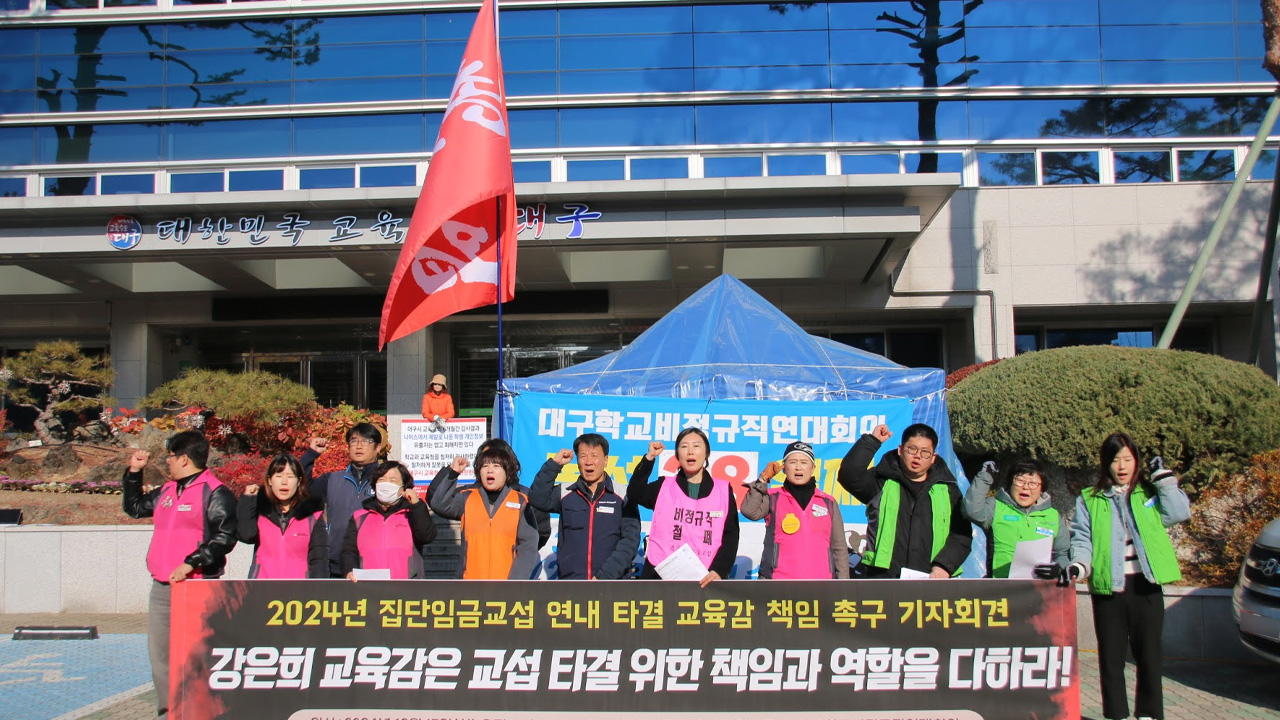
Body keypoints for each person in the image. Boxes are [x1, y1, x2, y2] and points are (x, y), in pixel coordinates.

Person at [1070, 432, 1190, 720]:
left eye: (1127, 459)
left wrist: (1163, 476)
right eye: (1115, 460)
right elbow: (1082, 540)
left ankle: (1149, 713)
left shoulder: (1149, 494)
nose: (1122, 466)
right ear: (1105, 464)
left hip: (1145, 585)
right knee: (1111, 659)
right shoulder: (1089, 499)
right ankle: (1117, 715)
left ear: (1136, 462)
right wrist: (1078, 566)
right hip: (1108, 589)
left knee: (1149, 655)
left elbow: (1179, 512)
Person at [122, 430, 236, 717]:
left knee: (197, 656)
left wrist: (191, 562)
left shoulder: (215, 491)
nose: (167, 462)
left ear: (184, 459)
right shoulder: (167, 491)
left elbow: (225, 537)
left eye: (170, 457)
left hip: (197, 586)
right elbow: (135, 508)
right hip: (162, 587)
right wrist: (135, 472)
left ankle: (200, 710)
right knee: (160, 655)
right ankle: (169, 710)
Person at [836, 423, 971, 578]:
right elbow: (849, 475)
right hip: (883, 579)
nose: (917, 456)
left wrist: (943, 566)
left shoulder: (948, 490)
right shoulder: (881, 481)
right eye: (912, 449)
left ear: (933, 458)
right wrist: (873, 441)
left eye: (925, 452)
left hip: (932, 581)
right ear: (900, 450)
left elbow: (962, 534)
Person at [627, 427, 740, 587]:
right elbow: (634, 493)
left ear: (706, 453)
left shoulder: (723, 490)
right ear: (677, 455)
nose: (690, 452)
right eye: (684, 446)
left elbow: (731, 535)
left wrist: (719, 570)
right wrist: (649, 459)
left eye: (696, 446)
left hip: (706, 577)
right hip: (661, 576)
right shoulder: (664, 487)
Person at [528, 433, 641, 579]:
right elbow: (537, 498)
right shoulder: (565, 492)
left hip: (612, 584)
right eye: (583, 456)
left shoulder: (623, 495)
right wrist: (554, 464)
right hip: (572, 584)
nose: (589, 462)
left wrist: (604, 577)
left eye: (595, 456)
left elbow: (630, 541)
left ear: (606, 460)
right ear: (577, 461)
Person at [429, 442, 542, 579]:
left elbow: (528, 546)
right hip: (470, 584)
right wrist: (453, 473)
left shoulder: (521, 501)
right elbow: (438, 503)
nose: (490, 470)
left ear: (507, 472)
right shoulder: (466, 497)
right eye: (485, 466)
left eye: (496, 466)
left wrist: (515, 583)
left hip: (506, 586)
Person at [742, 441, 849, 579]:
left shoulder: (828, 502)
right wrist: (762, 480)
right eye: (792, 462)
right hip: (777, 582)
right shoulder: (773, 497)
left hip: (822, 583)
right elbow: (749, 511)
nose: (798, 467)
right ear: (784, 468)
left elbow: (839, 547)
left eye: (804, 462)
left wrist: (844, 584)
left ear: (813, 468)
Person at [425, 437, 552, 549]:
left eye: (495, 463)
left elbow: (541, 531)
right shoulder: (468, 495)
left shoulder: (525, 497)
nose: (490, 469)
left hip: (512, 571)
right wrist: (451, 472)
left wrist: (519, 554)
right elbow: (436, 499)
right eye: (485, 462)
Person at [962, 458, 1069, 580]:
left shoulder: (1052, 515)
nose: (1025, 487)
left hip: (1040, 590)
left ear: (1042, 488)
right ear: (1010, 483)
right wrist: (984, 477)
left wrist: (1058, 567)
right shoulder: (996, 507)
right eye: (1019, 481)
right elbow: (971, 510)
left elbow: (1062, 553)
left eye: (1033, 483)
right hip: (1001, 587)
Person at [301, 423, 383, 577]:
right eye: (353, 441)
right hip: (335, 563)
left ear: (377, 447)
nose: (359, 446)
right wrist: (311, 455)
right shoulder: (332, 479)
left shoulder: (386, 480)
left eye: (366, 441)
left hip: (374, 563)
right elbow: (303, 489)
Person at [236, 454, 328, 579]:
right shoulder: (260, 510)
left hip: (299, 592)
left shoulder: (313, 516)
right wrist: (248, 500)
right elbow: (246, 535)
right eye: (278, 476)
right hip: (262, 588)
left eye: (290, 477)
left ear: (299, 481)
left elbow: (319, 561)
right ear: (269, 480)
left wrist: (318, 591)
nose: (284, 482)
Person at [341, 460, 436, 579]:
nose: (386, 484)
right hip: (368, 587)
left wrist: (417, 505)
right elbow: (348, 551)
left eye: (393, 480)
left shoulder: (412, 514)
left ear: (404, 487)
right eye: (382, 479)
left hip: (406, 589)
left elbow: (426, 536)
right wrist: (348, 570)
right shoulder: (359, 517)